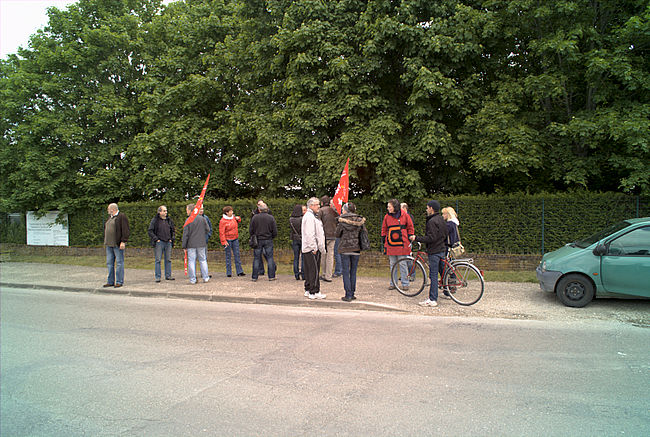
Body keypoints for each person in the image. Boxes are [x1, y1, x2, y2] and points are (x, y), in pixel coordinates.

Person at [409, 200, 448, 307]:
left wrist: (416, 238)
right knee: (443, 272)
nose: (426, 210)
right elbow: (445, 234)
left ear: (431, 208)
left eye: (427, 208)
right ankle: (448, 291)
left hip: (434, 251)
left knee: (433, 275)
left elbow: (431, 238)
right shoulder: (441, 219)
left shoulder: (431, 221)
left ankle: (432, 299)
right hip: (441, 249)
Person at [335, 202, 367, 302]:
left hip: (345, 249)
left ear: (346, 210)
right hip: (356, 248)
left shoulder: (342, 221)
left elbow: (337, 234)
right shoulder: (360, 220)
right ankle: (352, 293)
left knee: (345, 272)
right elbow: (363, 233)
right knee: (353, 272)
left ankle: (347, 295)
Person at [381, 198, 414, 291]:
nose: (388, 208)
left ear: (394, 207)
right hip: (391, 244)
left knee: (403, 264)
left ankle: (405, 283)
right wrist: (384, 238)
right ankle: (393, 283)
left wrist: (410, 235)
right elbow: (384, 228)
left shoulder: (405, 215)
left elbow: (410, 227)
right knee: (392, 264)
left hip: (402, 244)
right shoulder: (387, 217)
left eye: (389, 207)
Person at [302, 197, 326, 299]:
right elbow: (310, 234)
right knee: (314, 270)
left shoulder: (310, 216)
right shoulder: (310, 217)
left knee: (309, 270)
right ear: (311, 206)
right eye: (317, 204)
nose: (319, 206)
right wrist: (314, 248)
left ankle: (308, 289)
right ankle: (314, 291)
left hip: (309, 248)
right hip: (311, 248)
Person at [182, 203, 210, 284]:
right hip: (201, 243)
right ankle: (205, 278)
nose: (186, 212)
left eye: (187, 210)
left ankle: (193, 279)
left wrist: (184, 246)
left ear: (190, 210)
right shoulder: (202, 219)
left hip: (191, 244)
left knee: (191, 261)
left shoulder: (188, 220)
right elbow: (208, 229)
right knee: (203, 260)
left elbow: (185, 235)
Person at [103, 203, 130, 288]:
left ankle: (119, 281)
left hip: (117, 244)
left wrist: (123, 241)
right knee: (109, 263)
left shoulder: (121, 217)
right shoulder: (110, 218)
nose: (107, 211)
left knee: (119, 263)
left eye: (108, 209)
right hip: (109, 245)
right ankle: (110, 281)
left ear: (112, 209)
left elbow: (125, 230)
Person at [249, 202, 277, 281]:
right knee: (270, 258)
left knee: (257, 258)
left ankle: (254, 277)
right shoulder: (271, 218)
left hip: (258, 240)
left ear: (259, 210)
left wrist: (253, 236)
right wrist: (272, 236)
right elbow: (274, 230)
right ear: (267, 209)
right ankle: (271, 276)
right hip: (268, 239)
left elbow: (251, 229)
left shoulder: (255, 217)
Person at [147, 205, 175, 282]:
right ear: (159, 212)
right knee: (158, 260)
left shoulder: (169, 220)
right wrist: (156, 239)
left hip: (168, 242)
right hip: (159, 242)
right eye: (164, 211)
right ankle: (158, 277)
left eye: (166, 211)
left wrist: (172, 239)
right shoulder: (155, 220)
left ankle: (168, 275)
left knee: (168, 259)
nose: (166, 212)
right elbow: (150, 231)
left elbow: (173, 230)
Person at [318, 195, 339, 282]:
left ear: (322, 203)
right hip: (333, 235)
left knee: (323, 254)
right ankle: (328, 276)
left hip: (324, 235)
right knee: (330, 256)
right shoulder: (334, 211)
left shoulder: (321, 211)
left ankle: (323, 274)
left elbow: (318, 223)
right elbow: (338, 221)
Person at [219, 206, 245, 277]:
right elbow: (221, 232)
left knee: (237, 255)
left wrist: (238, 218)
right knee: (228, 256)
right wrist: (224, 241)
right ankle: (229, 272)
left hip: (235, 239)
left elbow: (239, 220)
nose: (232, 212)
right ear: (227, 213)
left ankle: (239, 271)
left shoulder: (233, 218)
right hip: (228, 240)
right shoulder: (223, 221)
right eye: (230, 211)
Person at [289, 204, 305, 280]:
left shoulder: (291, 219)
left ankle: (296, 274)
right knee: (303, 257)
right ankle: (303, 274)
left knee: (296, 257)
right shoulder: (303, 219)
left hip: (294, 239)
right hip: (302, 239)